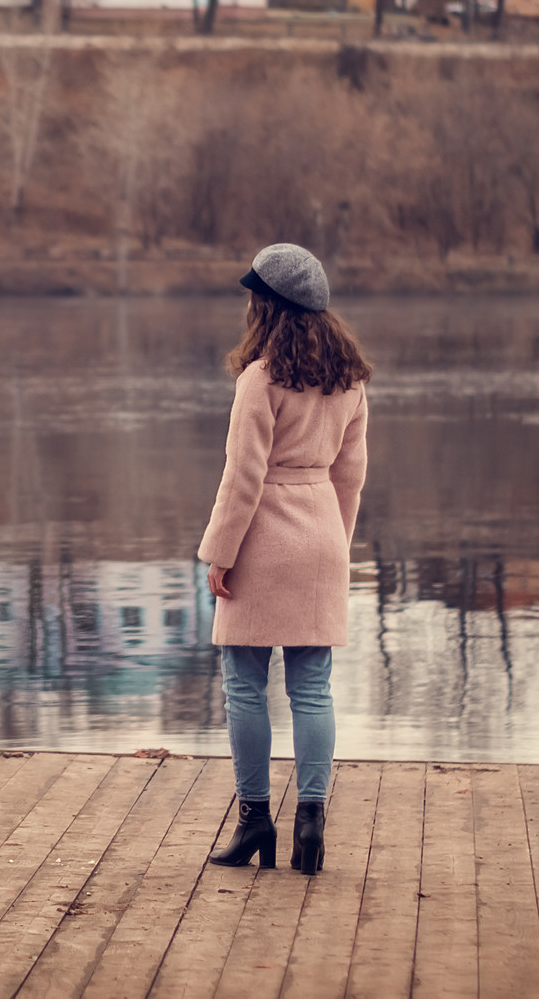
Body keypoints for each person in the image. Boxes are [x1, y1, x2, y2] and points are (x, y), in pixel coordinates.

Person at [198, 243, 371, 874]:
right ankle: (311, 822)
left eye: (254, 296)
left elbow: (242, 477)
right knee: (313, 687)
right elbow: (351, 476)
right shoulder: (349, 379)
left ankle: (253, 824)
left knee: (244, 687)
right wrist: (337, 547)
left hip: (263, 539)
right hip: (322, 533)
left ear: (268, 306)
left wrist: (219, 552)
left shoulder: (259, 378)